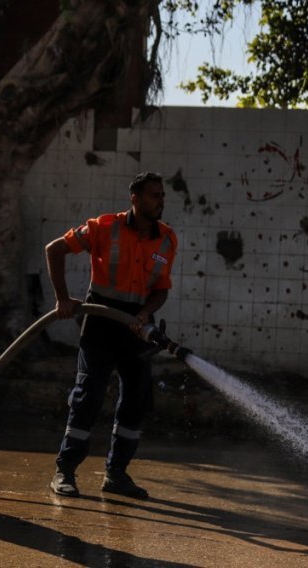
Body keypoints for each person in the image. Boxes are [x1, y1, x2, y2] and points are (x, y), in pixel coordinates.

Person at [46, 172, 188, 500]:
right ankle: (65, 470)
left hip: (138, 325)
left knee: (137, 399)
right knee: (89, 395)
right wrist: (63, 298)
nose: (160, 201)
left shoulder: (167, 239)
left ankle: (117, 474)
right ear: (134, 199)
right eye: (154, 195)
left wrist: (143, 314)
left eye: (162, 195)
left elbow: (162, 290)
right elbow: (54, 250)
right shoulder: (103, 227)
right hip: (101, 319)